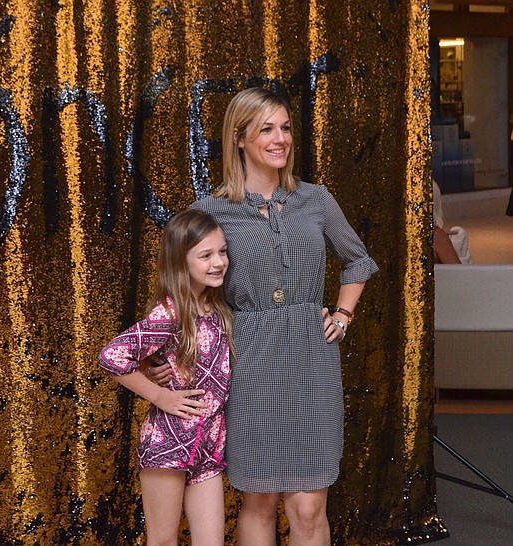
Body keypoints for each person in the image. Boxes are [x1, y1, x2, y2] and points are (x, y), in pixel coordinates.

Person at [150, 87, 378, 545]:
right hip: (249, 361)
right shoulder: (212, 211)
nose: (280, 139)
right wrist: (165, 353)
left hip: (314, 361)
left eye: (286, 128)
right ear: (238, 138)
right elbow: (183, 288)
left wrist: (344, 314)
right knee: (259, 500)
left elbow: (358, 261)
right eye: (266, 129)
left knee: (310, 506)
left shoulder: (315, 199)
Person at [98, 210, 235, 546]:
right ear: (180, 261)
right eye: (205, 255)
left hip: (208, 445)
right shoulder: (171, 311)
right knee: (163, 540)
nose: (218, 262)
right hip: (167, 444)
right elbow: (111, 356)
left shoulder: (219, 308)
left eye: (222, 251)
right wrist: (161, 397)